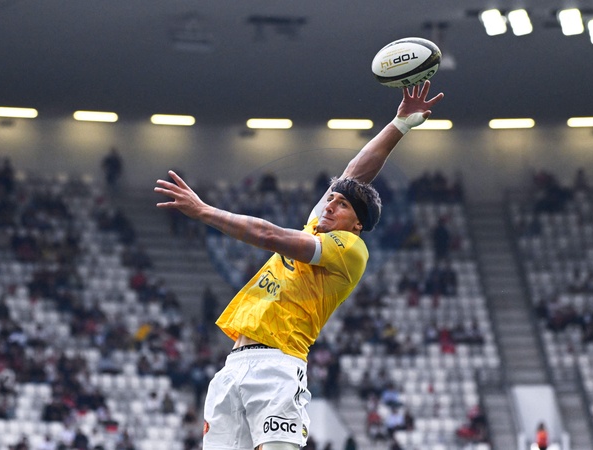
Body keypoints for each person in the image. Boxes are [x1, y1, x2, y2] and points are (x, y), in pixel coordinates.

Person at [154, 80, 444, 450]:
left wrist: (203, 211)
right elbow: (354, 172)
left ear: (357, 224)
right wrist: (399, 124)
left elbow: (269, 234)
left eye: (341, 204)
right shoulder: (318, 229)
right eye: (330, 199)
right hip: (233, 367)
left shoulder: (348, 249)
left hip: (277, 367)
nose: (329, 204)